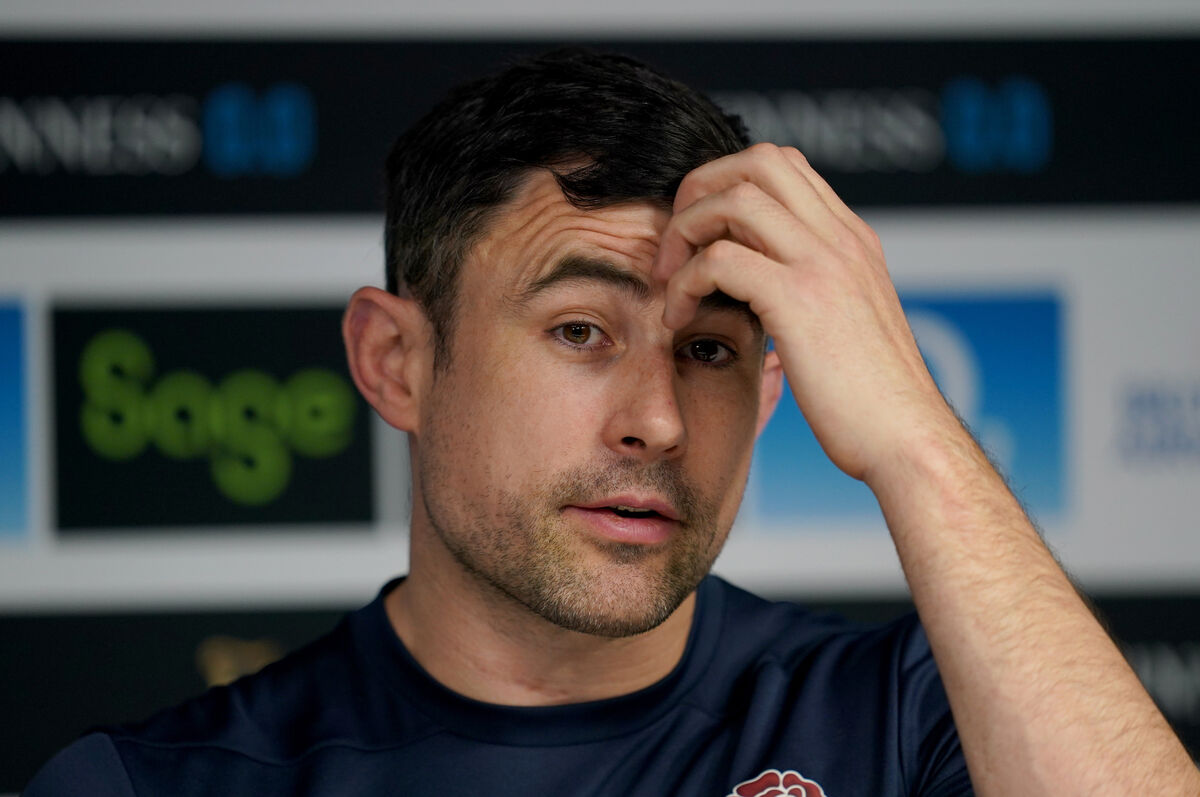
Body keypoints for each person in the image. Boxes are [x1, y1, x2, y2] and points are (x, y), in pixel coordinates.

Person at [26, 48, 1198, 796]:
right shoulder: (155, 782)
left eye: (709, 349)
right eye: (582, 330)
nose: (658, 420)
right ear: (396, 363)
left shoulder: (912, 720)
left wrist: (916, 439)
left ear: (774, 391)